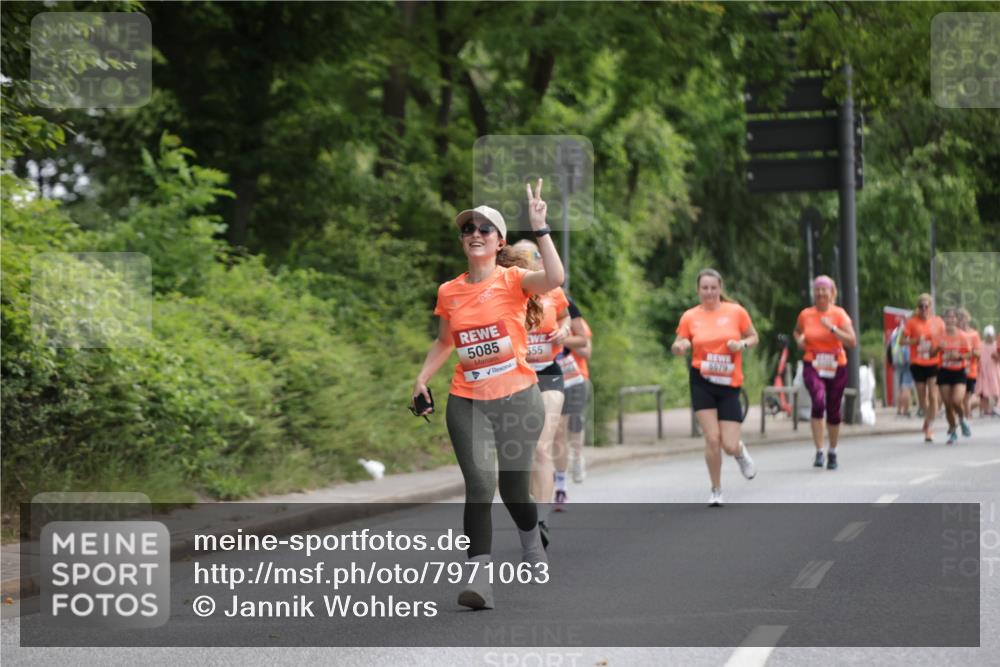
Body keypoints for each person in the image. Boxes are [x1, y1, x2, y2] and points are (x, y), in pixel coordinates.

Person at [410, 180, 563, 610]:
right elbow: (445, 342)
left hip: (518, 398)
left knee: (514, 490)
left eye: (484, 228)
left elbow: (555, 278)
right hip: (467, 398)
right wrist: (421, 379)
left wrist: (541, 228)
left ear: (499, 242)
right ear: (463, 240)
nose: (474, 233)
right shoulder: (449, 291)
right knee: (479, 485)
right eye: (468, 229)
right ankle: (480, 580)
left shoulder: (514, 280)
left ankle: (531, 541)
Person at [671, 268, 758, 507]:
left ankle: (739, 452)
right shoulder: (690, 316)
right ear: (698, 290)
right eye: (704, 288)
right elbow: (679, 342)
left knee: (728, 444)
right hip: (702, 380)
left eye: (713, 288)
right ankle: (716, 489)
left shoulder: (736, 312)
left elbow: (753, 337)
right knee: (712, 438)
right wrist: (680, 347)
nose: (709, 292)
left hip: (729, 382)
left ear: (720, 288)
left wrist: (741, 345)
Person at [793, 275, 858, 469]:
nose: (821, 293)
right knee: (818, 400)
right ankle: (820, 450)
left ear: (832, 293)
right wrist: (799, 340)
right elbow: (797, 331)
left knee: (834, 409)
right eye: (817, 290)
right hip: (812, 363)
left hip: (836, 365)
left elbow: (852, 341)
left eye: (824, 289)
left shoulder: (839, 314)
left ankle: (833, 451)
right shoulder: (806, 314)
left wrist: (833, 329)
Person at [552, 297, 593, 503]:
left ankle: (577, 456)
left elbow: (586, 350)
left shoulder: (577, 322)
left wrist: (563, 338)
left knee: (575, 421)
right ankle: (560, 476)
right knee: (558, 428)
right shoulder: (540, 318)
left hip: (576, 377)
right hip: (553, 378)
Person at [902, 294, 945, 442]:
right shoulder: (912, 322)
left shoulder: (938, 322)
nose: (924, 309)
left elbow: (945, 338)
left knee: (933, 396)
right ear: (918, 308)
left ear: (930, 307)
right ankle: (928, 419)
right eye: (921, 306)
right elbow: (901, 341)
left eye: (926, 306)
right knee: (922, 399)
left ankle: (929, 426)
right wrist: (915, 340)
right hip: (917, 362)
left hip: (933, 361)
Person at [931, 308, 972, 445]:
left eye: (953, 317)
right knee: (948, 405)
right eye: (948, 317)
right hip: (944, 371)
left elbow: (969, 354)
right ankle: (953, 430)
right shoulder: (939, 336)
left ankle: (962, 419)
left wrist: (959, 356)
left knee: (956, 401)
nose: (950, 319)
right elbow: (931, 354)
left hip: (959, 372)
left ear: (956, 320)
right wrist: (938, 348)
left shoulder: (962, 336)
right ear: (944, 319)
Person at [958, 308, 981, 418]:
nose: (962, 320)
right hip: (957, 369)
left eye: (964, 318)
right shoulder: (955, 334)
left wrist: (966, 354)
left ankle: (967, 418)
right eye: (960, 318)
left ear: (969, 319)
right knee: (961, 398)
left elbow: (978, 353)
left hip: (971, 370)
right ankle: (966, 417)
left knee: (967, 397)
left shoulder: (974, 334)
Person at [975, 325, 1000, 417]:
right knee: (984, 392)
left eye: (991, 335)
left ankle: (996, 407)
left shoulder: (996, 345)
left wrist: (997, 356)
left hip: (994, 370)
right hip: (983, 371)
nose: (989, 337)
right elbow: (977, 356)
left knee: (996, 390)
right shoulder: (981, 344)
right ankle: (984, 410)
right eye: (988, 335)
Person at [891, 323, 915, 417]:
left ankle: (899, 410)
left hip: (897, 361)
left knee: (900, 387)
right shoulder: (906, 332)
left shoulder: (894, 333)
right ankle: (906, 410)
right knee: (906, 386)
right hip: (906, 361)